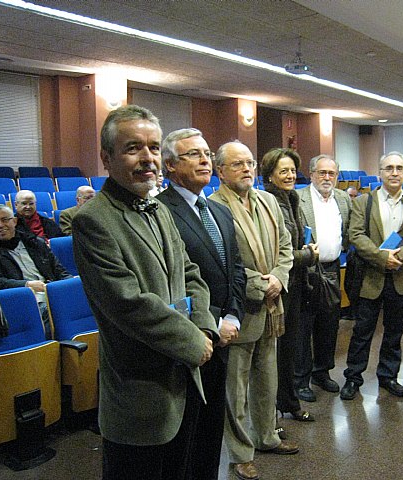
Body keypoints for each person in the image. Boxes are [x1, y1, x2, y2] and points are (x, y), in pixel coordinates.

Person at [71, 105, 218, 480]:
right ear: (107, 158)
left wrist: (204, 326)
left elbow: (190, 273)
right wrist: (194, 342)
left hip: (185, 379)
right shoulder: (94, 220)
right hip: (140, 395)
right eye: (133, 147)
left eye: (153, 147)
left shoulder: (159, 207)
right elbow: (129, 304)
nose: (148, 158)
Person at [157, 127, 246, 480]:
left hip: (225, 333)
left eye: (207, 153)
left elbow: (236, 269)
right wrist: (209, 323)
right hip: (190, 336)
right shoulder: (160, 213)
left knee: (211, 430)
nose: (205, 160)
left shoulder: (219, 212)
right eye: (193, 154)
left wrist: (234, 317)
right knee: (185, 434)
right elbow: (170, 283)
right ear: (169, 166)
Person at [210, 141, 297, 480]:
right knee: (236, 389)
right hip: (240, 309)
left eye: (249, 163)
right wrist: (260, 286)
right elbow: (220, 264)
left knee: (267, 380)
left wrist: (278, 277)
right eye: (237, 164)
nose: (247, 169)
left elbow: (287, 246)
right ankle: (240, 453)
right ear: (220, 171)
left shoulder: (269, 201)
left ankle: (266, 437)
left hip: (272, 307)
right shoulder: (214, 207)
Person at [340, 152, 403, 401]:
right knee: (362, 332)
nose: (394, 173)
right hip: (371, 276)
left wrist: (400, 256)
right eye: (389, 168)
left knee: (394, 332)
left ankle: (388, 376)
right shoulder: (363, 202)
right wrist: (382, 258)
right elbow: (356, 235)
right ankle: (353, 377)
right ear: (380, 172)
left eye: (399, 168)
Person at [260, 148, 318, 427]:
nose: (290, 175)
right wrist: (308, 255)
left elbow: (298, 239)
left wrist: (308, 247)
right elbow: (276, 254)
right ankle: (269, 415)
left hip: (295, 286)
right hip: (276, 288)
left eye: (293, 170)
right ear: (270, 174)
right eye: (283, 171)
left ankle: (289, 402)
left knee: (289, 351)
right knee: (273, 355)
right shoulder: (268, 201)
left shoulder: (293, 198)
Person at [295, 154, 352, 402]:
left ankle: (322, 371)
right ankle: (300, 379)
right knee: (304, 326)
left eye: (332, 173)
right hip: (306, 271)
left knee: (329, 325)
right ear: (311, 174)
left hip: (332, 268)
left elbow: (347, 231)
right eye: (321, 172)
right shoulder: (298, 198)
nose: (327, 177)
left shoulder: (342, 198)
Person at [0, 204, 72, 337]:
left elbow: (59, 270)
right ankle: (51, 349)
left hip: (51, 290)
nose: (0, 225)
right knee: (50, 310)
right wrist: (27, 285)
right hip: (24, 298)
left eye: (5, 219)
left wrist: (70, 285)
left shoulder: (35, 242)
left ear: (14, 221)